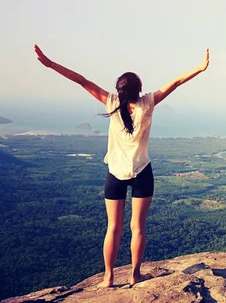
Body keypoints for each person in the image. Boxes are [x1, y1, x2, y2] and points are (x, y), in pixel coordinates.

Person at [34, 44, 210, 287]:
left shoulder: (110, 101)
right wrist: (200, 68)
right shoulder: (148, 103)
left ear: (119, 89)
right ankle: (135, 274)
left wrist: (51, 64)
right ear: (139, 90)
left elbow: (81, 80)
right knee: (138, 228)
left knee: (113, 228)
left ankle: (108, 277)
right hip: (142, 172)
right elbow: (176, 82)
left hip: (114, 173)